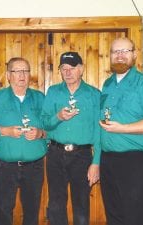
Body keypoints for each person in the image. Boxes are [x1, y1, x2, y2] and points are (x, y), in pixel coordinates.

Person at [99, 37, 143, 225]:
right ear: (110, 56)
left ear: (134, 54)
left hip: (134, 161)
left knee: (134, 216)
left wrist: (122, 128)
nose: (120, 56)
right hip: (107, 159)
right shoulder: (107, 84)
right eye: (116, 52)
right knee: (113, 215)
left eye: (125, 51)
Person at [41, 51, 101, 225]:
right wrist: (58, 117)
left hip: (82, 156)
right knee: (56, 204)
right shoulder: (53, 92)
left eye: (72, 68)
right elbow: (45, 122)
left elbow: (99, 130)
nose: (67, 72)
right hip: (55, 153)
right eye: (63, 68)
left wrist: (96, 162)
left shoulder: (94, 94)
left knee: (81, 203)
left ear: (81, 69)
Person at [0, 57, 47, 225]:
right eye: (17, 71)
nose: (22, 75)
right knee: (3, 210)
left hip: (34, 166)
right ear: (8, 75)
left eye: (26, 71)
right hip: (5, 166)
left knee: (32, 211)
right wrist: (5, 131)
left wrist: (40, 133)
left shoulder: (40, 98)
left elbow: (51, 128)